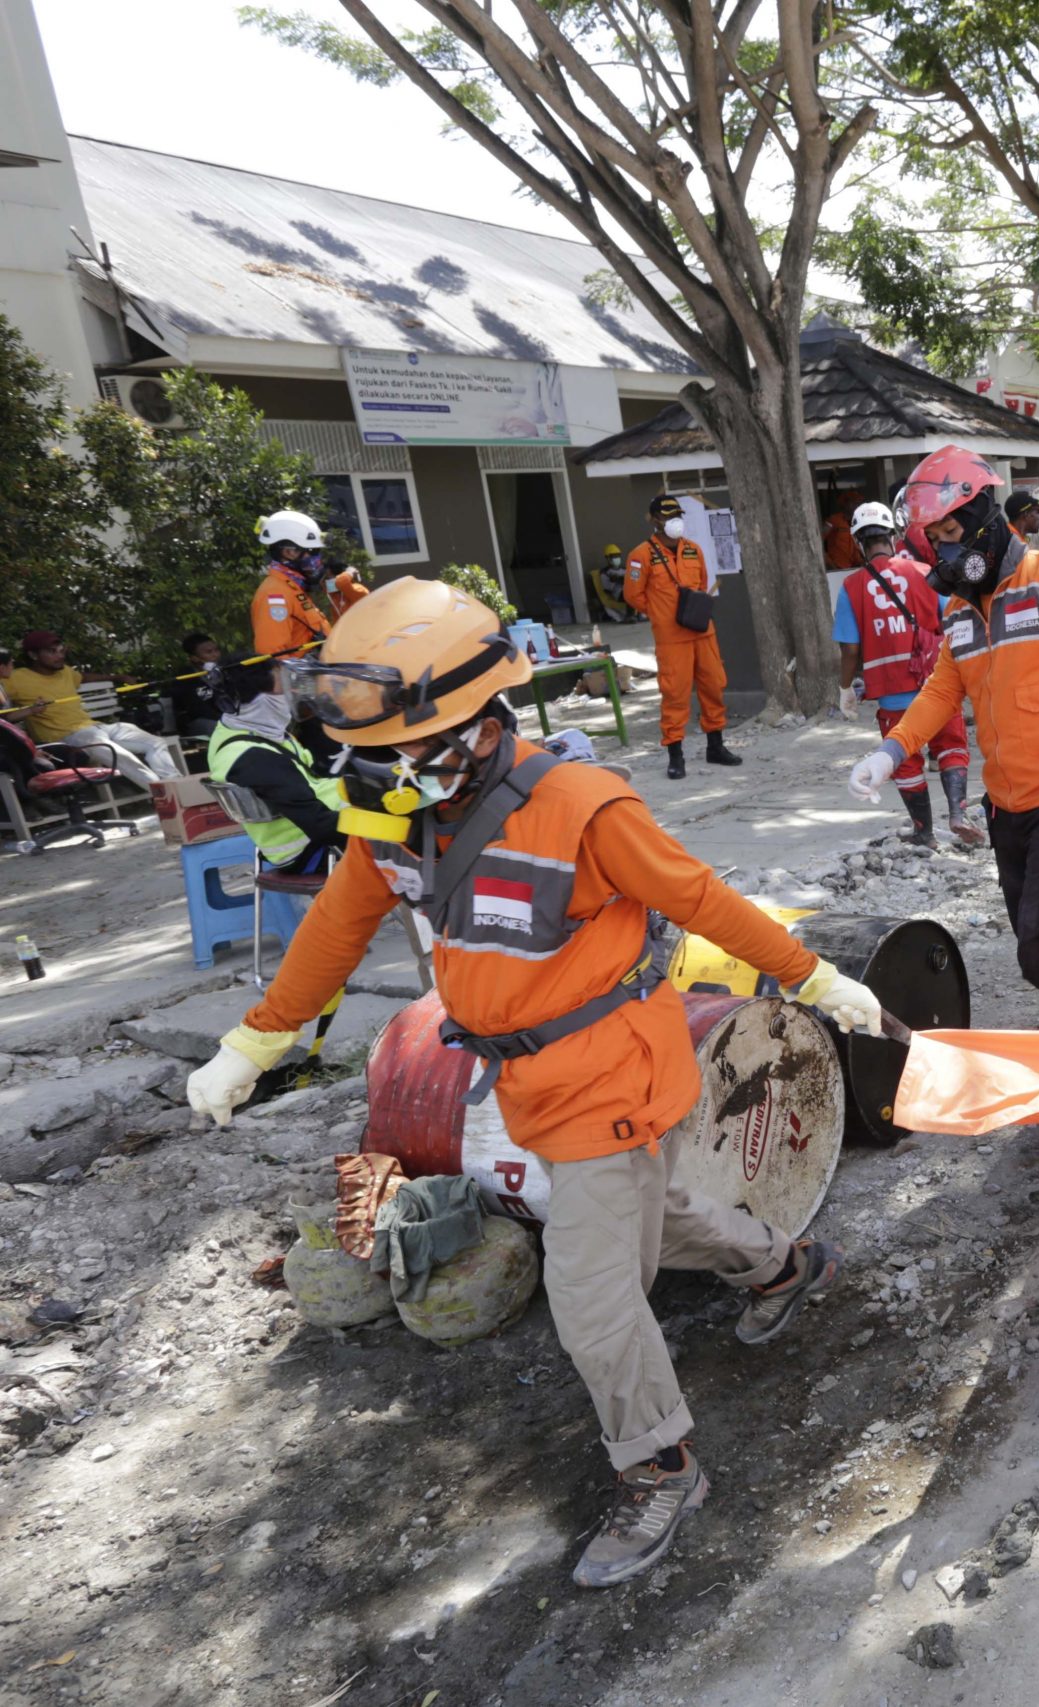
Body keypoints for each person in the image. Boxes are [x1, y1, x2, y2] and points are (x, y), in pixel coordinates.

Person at [182, 578, 881, 1589]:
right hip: (526, 1084)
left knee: (590, 1296)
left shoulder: (583, 808)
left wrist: (815, 978)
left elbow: (698, 897)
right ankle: (779, 1264)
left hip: (615, 1073)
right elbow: (336, 926)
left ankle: (660, 1466)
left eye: (392, 752)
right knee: (651, 1214)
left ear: (471, 725)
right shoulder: (393, 812)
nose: (373, 774)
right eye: (362, 757)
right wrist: (253, 1043)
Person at [846, 446, 1039, 1026]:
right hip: (1007, 809)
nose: (945, 548)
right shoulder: (959, 611)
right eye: (933, 537)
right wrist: (888, 753)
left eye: (951, 529)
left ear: (982, 511)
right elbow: (939, 691)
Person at [834, 502, 979, 847]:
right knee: (951, 747)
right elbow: (954, 619)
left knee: (905, 760)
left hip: (891, 691)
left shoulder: (852, 588)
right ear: (895, 535)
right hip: (936, 684)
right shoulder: (925, 570)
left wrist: (844, 688)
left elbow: (850, 650)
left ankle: (924, 832)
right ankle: (958, 814)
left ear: (858, 542)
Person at [204, 654, 344, 931]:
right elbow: (322, 826)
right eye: (284, 687)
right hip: (311, 850)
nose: (293, 693)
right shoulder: (252, 757)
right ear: (258, 699)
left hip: (311, 832)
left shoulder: (244, 732)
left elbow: (314, 779)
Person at [622, 494, 740, 778]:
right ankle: (676, 756)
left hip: (701, 631)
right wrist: (662, 613)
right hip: (671, 637)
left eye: (676, 516)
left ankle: (716, 747)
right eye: (666, 517)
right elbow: (633, 595)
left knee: (713, 686)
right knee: (675, 695)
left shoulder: (693, 550)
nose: (673, 521)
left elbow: (700, 583)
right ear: (654, 521)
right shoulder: (641, 555)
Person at [1, 630, 179, 789]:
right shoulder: (16, 678)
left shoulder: (66, 672)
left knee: (156, 743)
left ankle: (179, 787)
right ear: (33, 655)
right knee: (115, 753)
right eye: (51, 652)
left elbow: (84, 678)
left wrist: (118, 676)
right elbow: (5, 714)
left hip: (98, 727)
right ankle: (165, 796)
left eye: (61, 650)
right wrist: (30, 711)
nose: (60, 655)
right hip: (69, 737)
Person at [249, 509, 369, 661]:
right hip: (302, 683)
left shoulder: (292, 587)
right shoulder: (274, 595)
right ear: (289, 552)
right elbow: (272, 656)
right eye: (313, 551)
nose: (317, 559)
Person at [166, 633, 225, 737]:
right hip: (199, 721)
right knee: (218, 729)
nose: (215, 655)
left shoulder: (224, 670)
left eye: (216, 650)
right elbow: (197, 709)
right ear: (194, 658)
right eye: (209, 652)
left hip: (227, 717)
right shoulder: (185, 678)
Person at [822, 497, 862, 572]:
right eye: (853, 502)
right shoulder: (834, 520)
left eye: (857, 503)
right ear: (845, 504)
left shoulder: (858, 522)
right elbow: (818, 541)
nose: (856, 506)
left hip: (855, 568)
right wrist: (830, 563)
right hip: (836, 569)